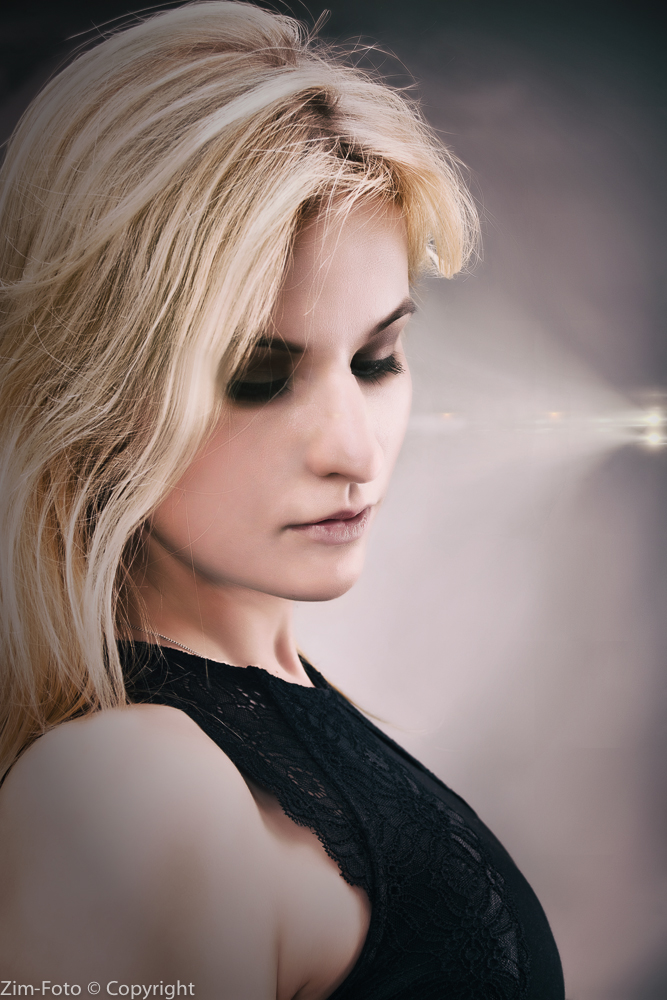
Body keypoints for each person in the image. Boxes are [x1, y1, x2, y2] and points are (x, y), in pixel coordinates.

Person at [0, 3, 565, 997]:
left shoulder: (269, 715)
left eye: (377, 358)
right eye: (257, 378)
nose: (354, 449)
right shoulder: (129, 790)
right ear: (92, 391)